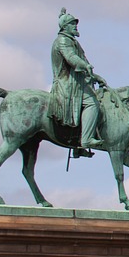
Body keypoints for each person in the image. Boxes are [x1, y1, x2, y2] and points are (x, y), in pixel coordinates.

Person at [51, 8, 107, 155]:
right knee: (92, 103)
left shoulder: (72, 41)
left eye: (75, 23)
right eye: (72, 23)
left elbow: (82, 61)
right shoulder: (63, 40)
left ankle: (77, 148)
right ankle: (86, 139)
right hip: (68, 84)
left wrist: (96, 77)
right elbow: (71, 58)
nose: (75, 26)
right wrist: (85, 66)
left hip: (76, 82)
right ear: (64, 27)